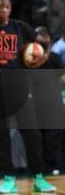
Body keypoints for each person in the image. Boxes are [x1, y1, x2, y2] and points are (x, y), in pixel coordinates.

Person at [0, 0, 56, 194]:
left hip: (19, 85)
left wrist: (42, 57)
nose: (4, 10)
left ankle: (38, 176)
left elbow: (43, 40)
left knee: (31, 132)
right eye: (0, 6)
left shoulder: (20, 27)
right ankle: (8, 177)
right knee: (0, 134)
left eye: (8, 7)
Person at [31, 27, 65, 175]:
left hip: (53, 101)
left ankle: (51, 165)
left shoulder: (55, 58)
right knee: (44, 136)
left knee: (52, 135)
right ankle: (47, 166)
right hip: (40, 101)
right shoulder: (29, 60)